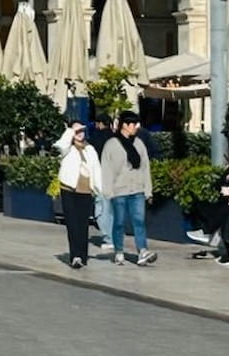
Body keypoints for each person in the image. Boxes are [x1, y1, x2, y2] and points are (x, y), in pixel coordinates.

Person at [101, 110, 157, 266]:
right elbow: (106, 169)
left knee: (139, 221)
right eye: (133, 124)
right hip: (119, 191)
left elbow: (145, 167)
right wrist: (108, 191)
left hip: (137, 190)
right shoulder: (111, 145)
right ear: (124, 125)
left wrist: (148, 190)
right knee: (119, 222)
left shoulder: (139, 143)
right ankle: (119, 251)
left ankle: (142, 251)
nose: (135, 127)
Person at [56, 121, 102, 268]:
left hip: (85, 191)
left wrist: (100, 189)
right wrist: (71, 131)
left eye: (82, 130)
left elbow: (97, 170)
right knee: (72, 223)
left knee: (83, 224)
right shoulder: (67, 148)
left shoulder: (90, 149)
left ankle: (82, 255)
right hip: (69, 189)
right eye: (77, 131)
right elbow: (60, 145)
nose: (80, 133)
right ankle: (75, 256)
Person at [88, 114, 115, 252]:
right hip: (115, 178)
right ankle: (115, 237)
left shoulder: (95, 138)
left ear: (99, 124)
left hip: (101, 177)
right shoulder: (116, 138)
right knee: (112, 210)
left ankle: (109, 238)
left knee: (101, 209)